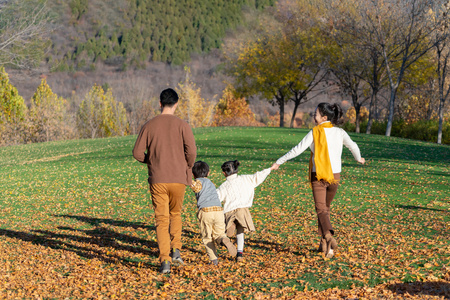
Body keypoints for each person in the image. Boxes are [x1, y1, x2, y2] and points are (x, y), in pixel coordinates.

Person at [271, 102, 365, 258]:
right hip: (335, 176)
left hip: (318, 175)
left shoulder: (314, 132)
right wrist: (358, 158)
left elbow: (297, 149)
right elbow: (353, 146)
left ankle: (329, 238)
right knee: (325, 210)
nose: (313, 116)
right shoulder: (340, 132)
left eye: (316, 114)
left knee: (321, 210)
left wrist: (279, 161)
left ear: (324, 117)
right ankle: (326, 247)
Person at [132, 88, 197, 274]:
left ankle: (165, 261)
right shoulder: (182, 125)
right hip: (178, 178)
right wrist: (187, 166)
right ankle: (176, 250)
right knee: (175, 214)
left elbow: (137, 153)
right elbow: (191, 152)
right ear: (176, 104)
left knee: (161, 219)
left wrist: (151, 161)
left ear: (160, 104)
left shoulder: (149, 125)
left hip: (158, 179)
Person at [217, 160, 276, 262]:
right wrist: (270, 169)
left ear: (224, 173)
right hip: (242, 211)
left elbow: (217, 197)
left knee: (222, 230)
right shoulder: (246, 179)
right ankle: (240, 253)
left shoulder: (224, 186)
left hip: (229, 212)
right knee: (240, 232)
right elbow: (258, 176)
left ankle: (229, 230)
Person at [190, 161, 237, 265]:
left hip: (206, 211)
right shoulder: (210, 183)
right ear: (208, 173)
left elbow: (195, 187)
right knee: (219, 233)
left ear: (193, 174)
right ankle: (224, 239)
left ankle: (213, 260)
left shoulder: (198, 182)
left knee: (207, 237)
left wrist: (186, 177)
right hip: (219, 210)